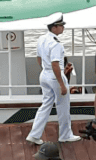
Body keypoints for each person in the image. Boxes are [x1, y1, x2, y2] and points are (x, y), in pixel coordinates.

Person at [25, 13, 79, 145]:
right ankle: (65, 135)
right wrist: (62, 85)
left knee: (45, 105)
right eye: (61, 25)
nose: (63, 27)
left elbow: (39, 58)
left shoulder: (41, 39)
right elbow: (55, 64)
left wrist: (46, 70)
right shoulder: (56, 44)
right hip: (55, 76)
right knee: (63, 106)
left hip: (44, 74)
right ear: (54, 27)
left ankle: (34, 134)